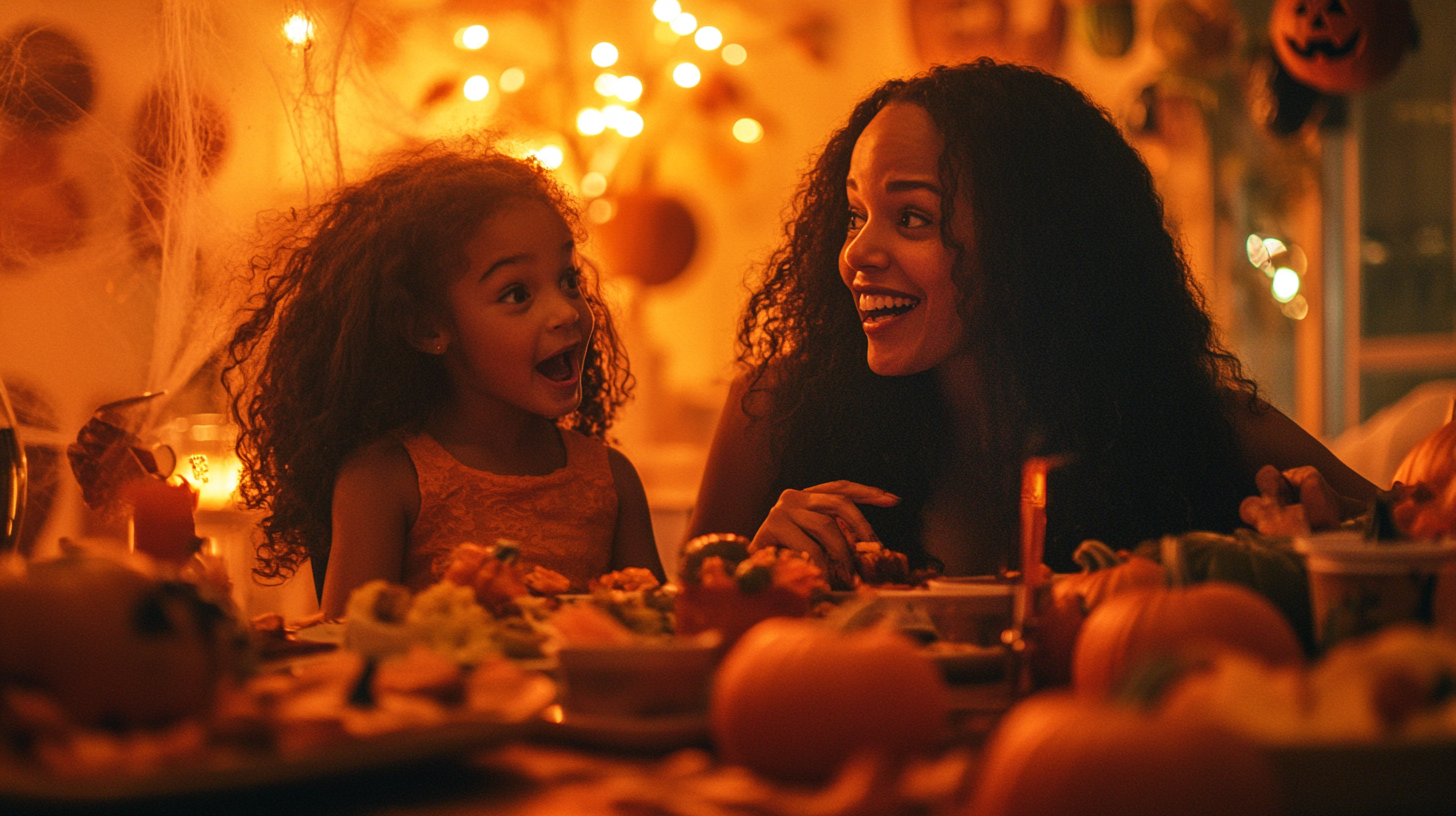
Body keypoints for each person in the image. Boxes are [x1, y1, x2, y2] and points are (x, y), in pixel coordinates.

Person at [688, 60, 1374, 587]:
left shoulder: (1198, 428)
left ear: (1033, 244)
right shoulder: (771, 414)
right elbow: (668, 656)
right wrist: (748, 576)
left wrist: (1331, 556)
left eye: (913, 219)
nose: (857, 255)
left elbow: (1421, 540)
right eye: (855, 214)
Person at [225, 138, 662, 616]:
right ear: (428, 328)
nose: (566, 312)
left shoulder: (612, 481)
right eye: (516, 293)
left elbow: (657, 634)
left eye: (568, 279)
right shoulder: (385, 482)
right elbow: (350, 652)